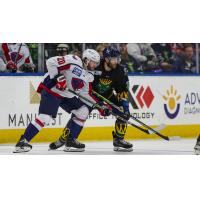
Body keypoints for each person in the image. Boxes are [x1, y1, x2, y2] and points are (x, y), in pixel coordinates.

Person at [13, 49, 108, 153]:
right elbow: (50, 62)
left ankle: (71, 141)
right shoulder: (74, 60)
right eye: (93, 62)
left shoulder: (89, 76)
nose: (95, 65)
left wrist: (99, 106)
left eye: (96, 63)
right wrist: (58, 77)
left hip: (66, 95)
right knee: (45, 117)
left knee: (83, 111)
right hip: (52, 90)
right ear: (86, 59)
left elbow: (85, 94)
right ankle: (22, 142)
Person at [50, 46, 133, 152]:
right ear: (106, 59)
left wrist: (124, 107)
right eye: (113, 59)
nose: (116, 61)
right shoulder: (95, 65)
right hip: (90, 95)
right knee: (79, 113)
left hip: (108, 96)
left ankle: (119, 140)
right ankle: (64, 138)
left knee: (123, 112)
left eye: (117, 58)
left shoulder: (120, 70)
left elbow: (122, 91)